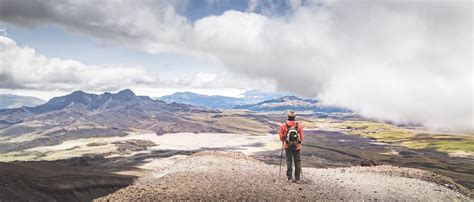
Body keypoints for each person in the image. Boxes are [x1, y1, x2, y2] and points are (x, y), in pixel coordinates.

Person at [279, 110, 304, 182]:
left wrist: (284, 141)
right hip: (297, 146)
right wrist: (298, 143)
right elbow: (301, 137)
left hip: (288, 146)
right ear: (294, 117)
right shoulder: (298, 125)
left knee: (289, 161)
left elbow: (281, 136)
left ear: (288, 117)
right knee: (297, 162)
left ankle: (289, 178)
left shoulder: (284, 125)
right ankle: (297, 179)